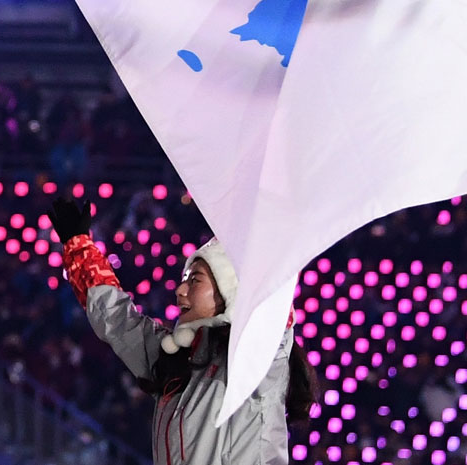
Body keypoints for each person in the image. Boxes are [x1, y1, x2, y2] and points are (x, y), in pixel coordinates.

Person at [48, 197, 317, 465]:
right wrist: (79, 247)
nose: (180, 290)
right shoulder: (174, 361)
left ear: (230, 292)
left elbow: (271, 298)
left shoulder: (255, 359)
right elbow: (118, 321)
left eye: (195, 280)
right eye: (183, 280)